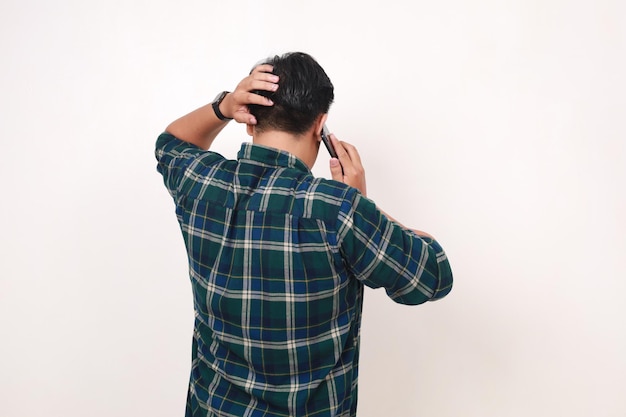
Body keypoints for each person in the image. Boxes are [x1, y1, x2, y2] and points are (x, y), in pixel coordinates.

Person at [155, 52, 453, 417]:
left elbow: (170, 144)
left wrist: (224, 105)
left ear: (249, 122)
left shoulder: (201, 183)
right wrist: (361, 203)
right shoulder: (338, 210)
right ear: (320, 126)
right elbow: (433, 276)